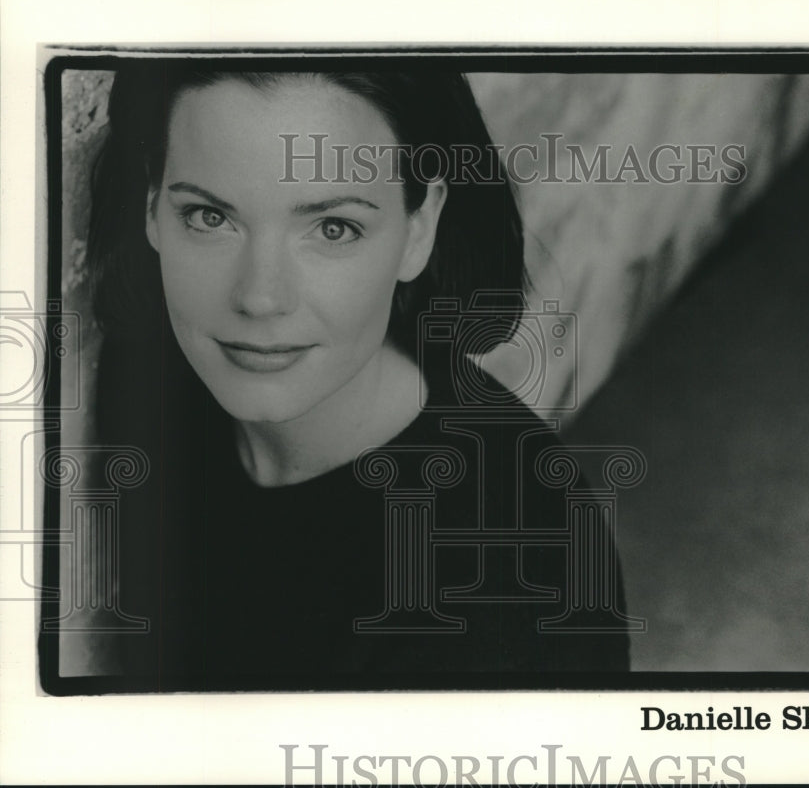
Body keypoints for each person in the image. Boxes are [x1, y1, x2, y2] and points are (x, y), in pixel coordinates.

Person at [84, 60, 633, 690]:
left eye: (333, 227)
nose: (261, 298)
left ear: (417, 231)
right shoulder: (150, 377)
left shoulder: (498, 613)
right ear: (153, 204)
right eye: (210, 217)